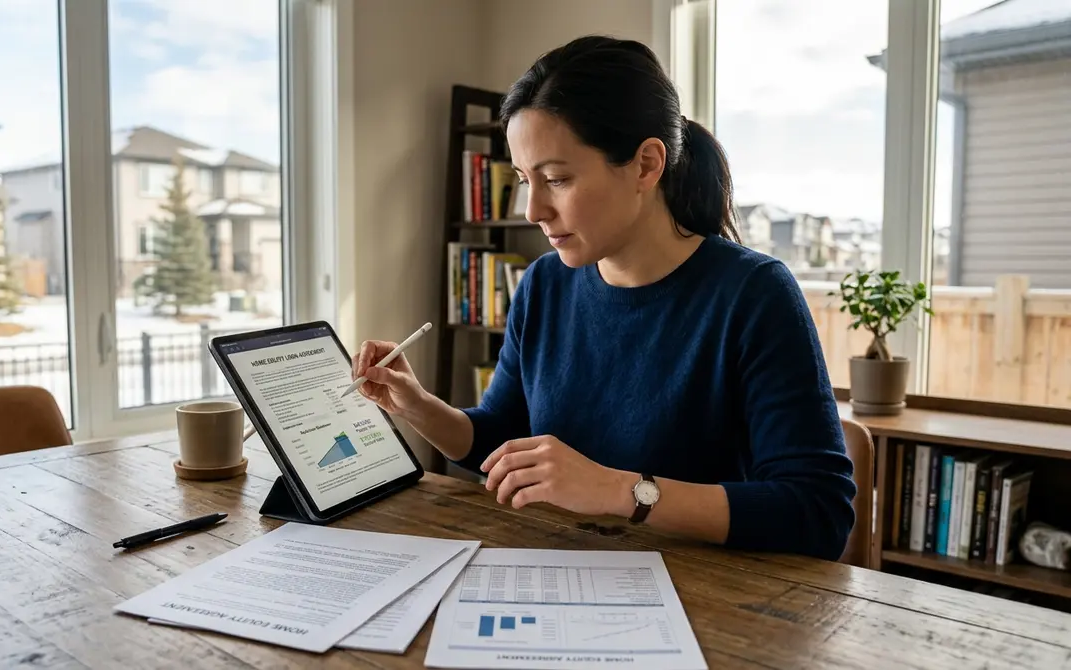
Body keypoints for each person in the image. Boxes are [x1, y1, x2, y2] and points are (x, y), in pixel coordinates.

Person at [351, 35, 856, 561]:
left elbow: (817, 512)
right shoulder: (545, 283)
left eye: (557, 179)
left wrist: (619, 491)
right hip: (562, 569)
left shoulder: (754, 294)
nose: (532, 209)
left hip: (705, 603)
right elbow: (499, 439)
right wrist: (417, 406)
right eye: (525, 180)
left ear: (645, 165)